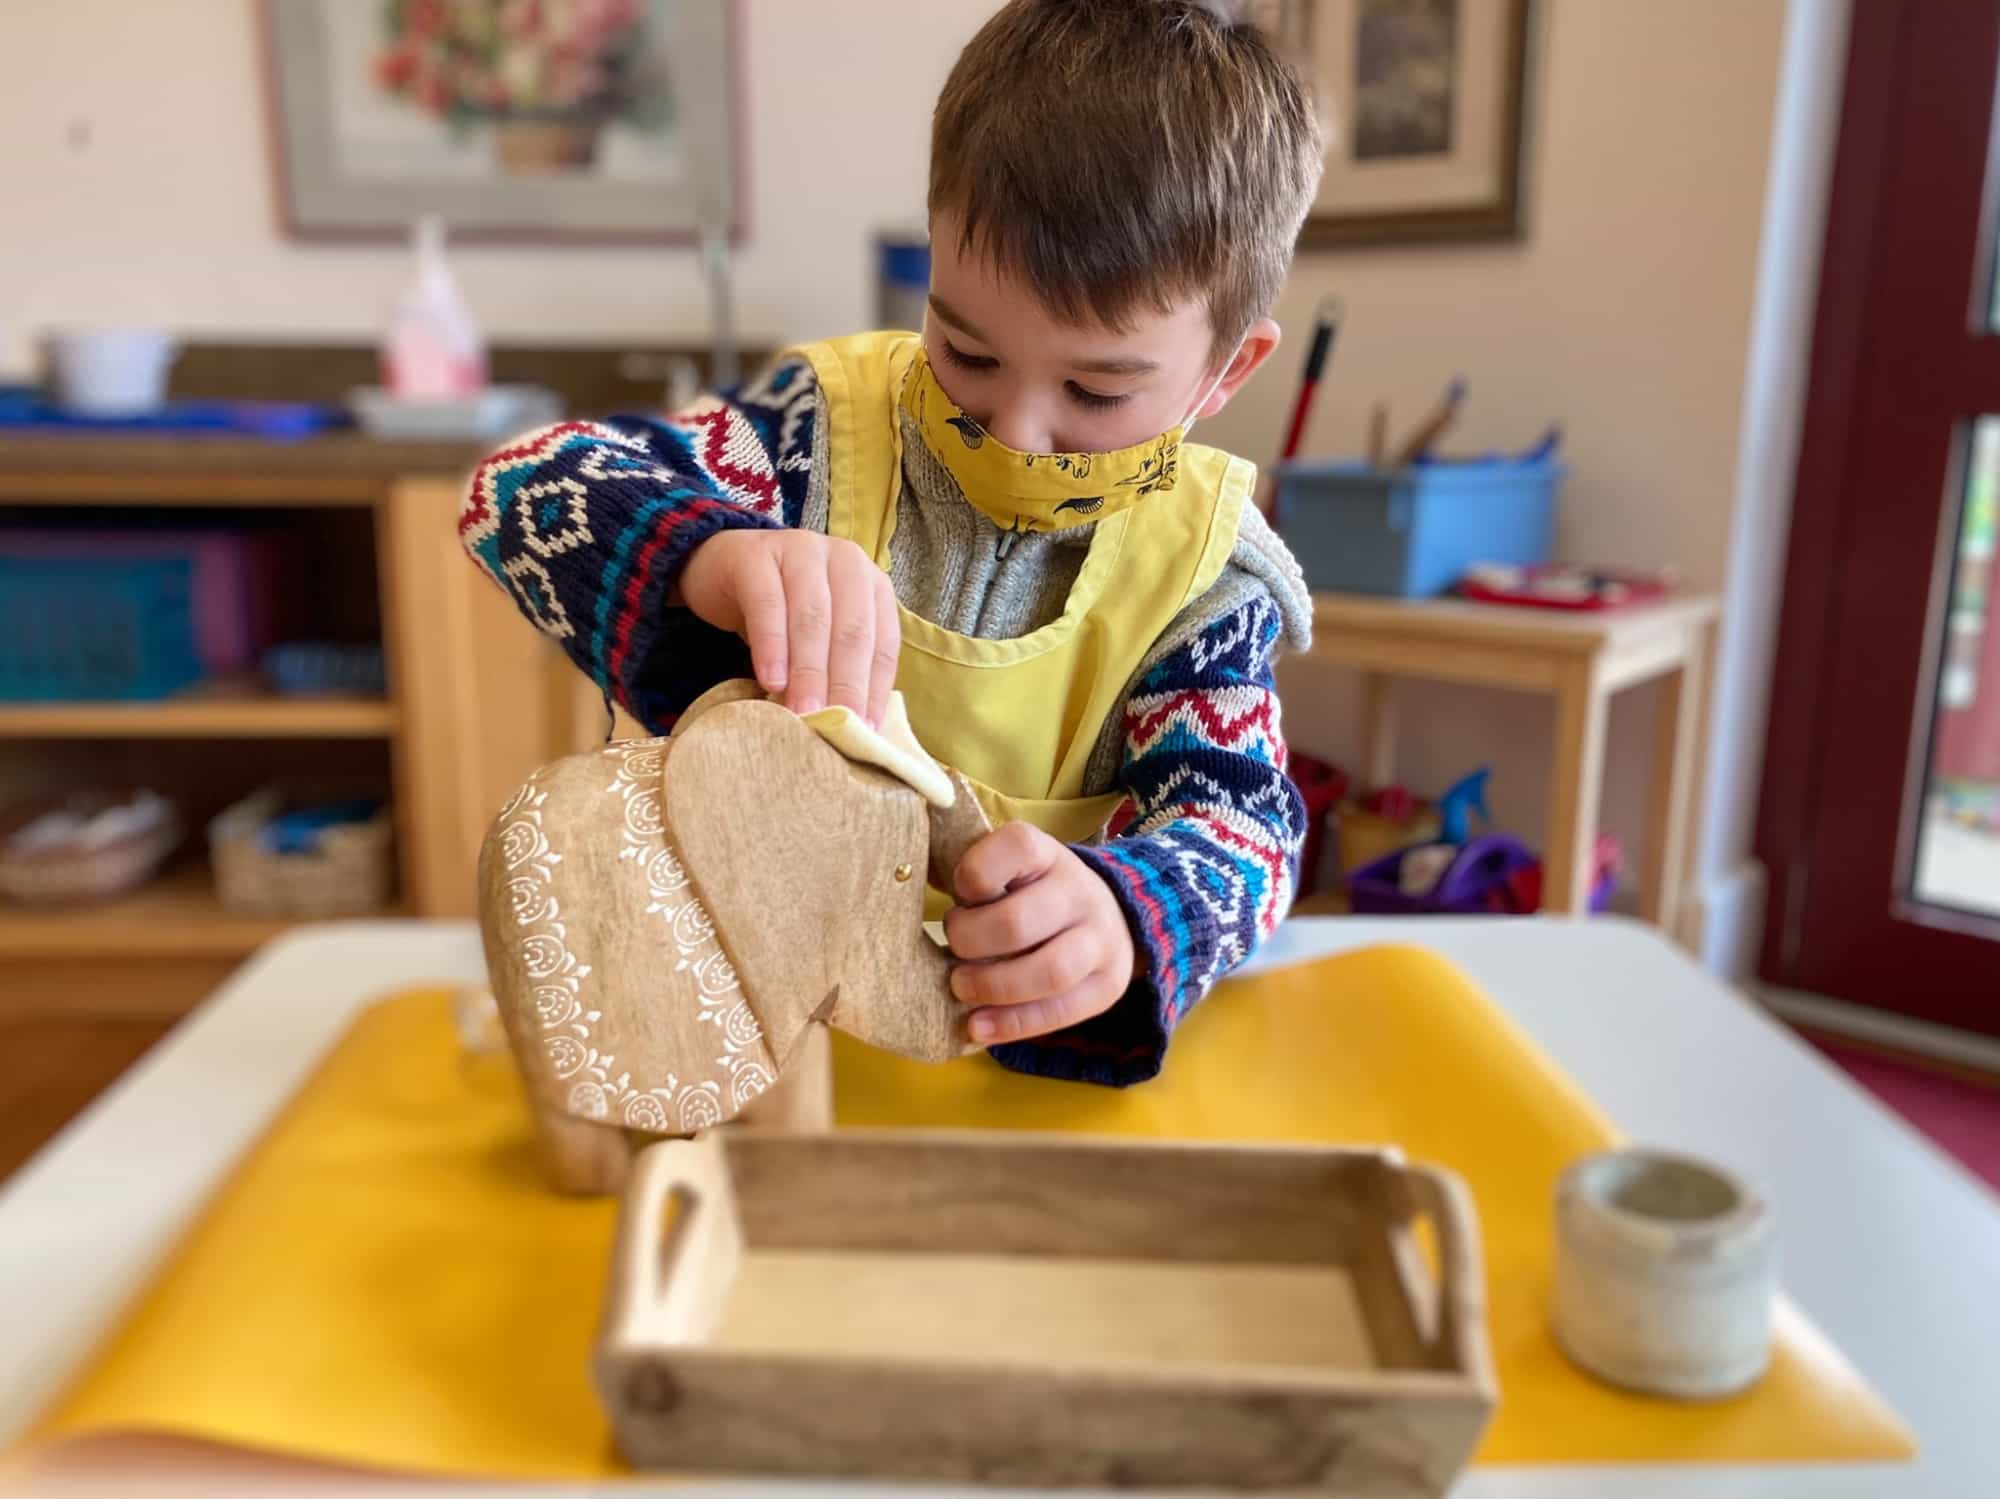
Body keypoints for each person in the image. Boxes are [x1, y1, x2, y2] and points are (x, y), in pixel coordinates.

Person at [458, 0, 1323, 1085]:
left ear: (1226, 370)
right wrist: (709, 552)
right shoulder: (814, 436)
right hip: (756, 1053)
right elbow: (513, 492)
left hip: (1013, 1089)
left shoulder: (1204, 585)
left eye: (1096, 389)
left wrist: (1123, 914)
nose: (1015, 429)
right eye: (966, 351)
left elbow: (1241, 831)